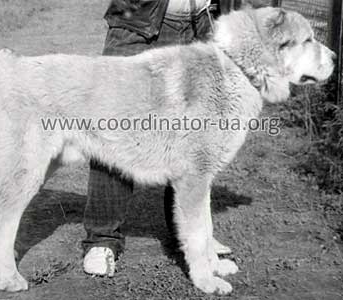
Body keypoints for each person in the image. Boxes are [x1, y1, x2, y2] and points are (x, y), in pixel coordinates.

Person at [82, 0, 264, 276]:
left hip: (202, 23)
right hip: (138, 21)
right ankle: (102, 238)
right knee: (114, 129)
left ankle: (192, 240)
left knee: (197, 144)